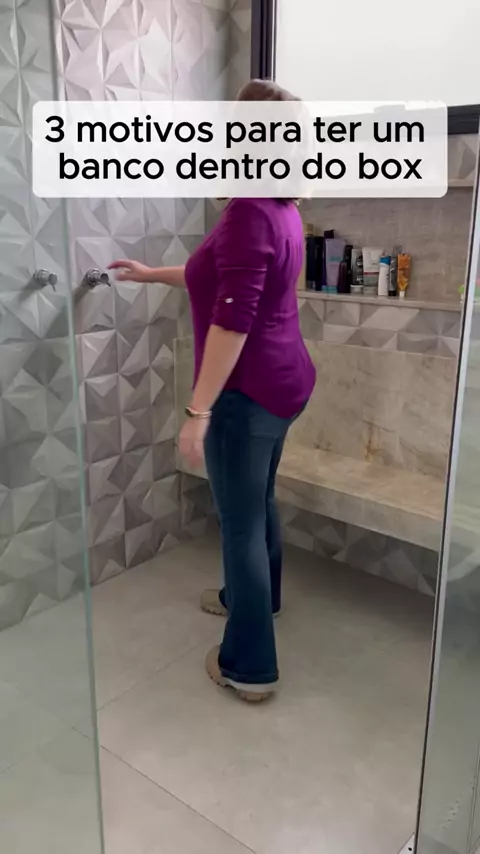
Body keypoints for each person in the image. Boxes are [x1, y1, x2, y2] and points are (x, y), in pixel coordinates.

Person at [109, 79, 316, 703]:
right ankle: (259, 600)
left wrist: (198, 410)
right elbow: (222, 277)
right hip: (285, 382)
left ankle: (248, 668)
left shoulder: (249, 209)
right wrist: (152, 274)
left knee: (238, 525)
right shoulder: (278, 203)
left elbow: (232, 321)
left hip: (248, 393)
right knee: (258, 502)